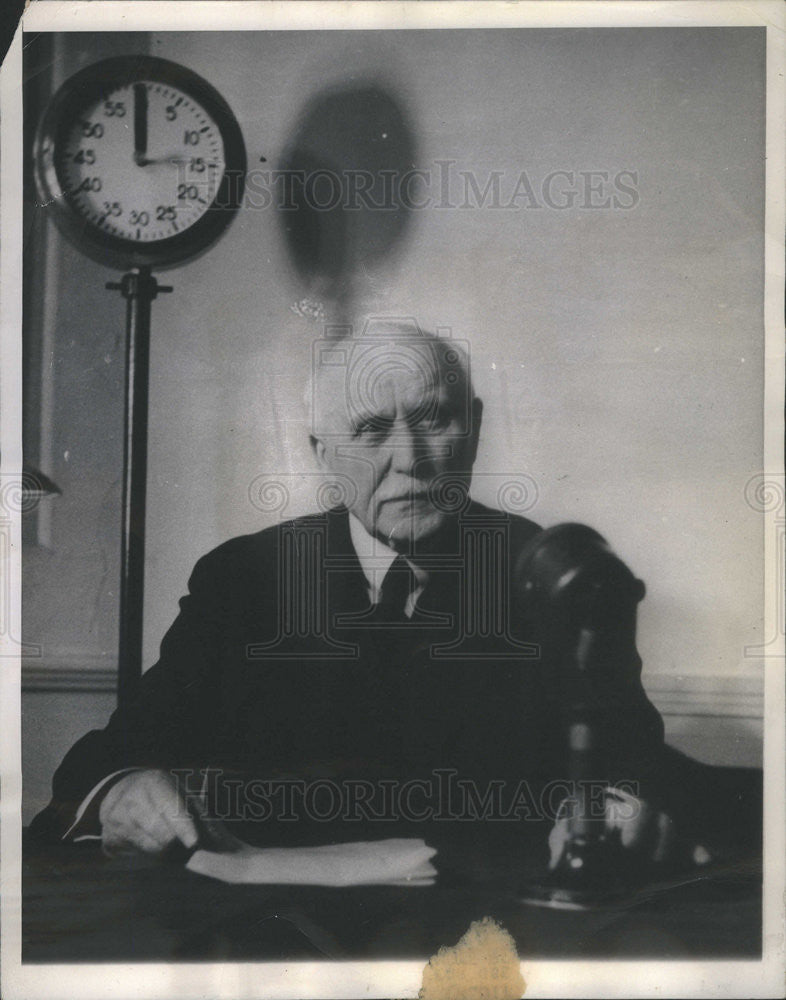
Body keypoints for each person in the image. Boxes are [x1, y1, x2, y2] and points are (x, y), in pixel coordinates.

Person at [30, 318, 757, 871]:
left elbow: (630, 759)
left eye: (433, 419)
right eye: (372, 430)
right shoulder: (243, 580)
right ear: (322, 455)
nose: (408, 459)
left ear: (472, 429)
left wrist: (610, 810)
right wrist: (123, 793)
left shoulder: (550, 572)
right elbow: (107, 763)